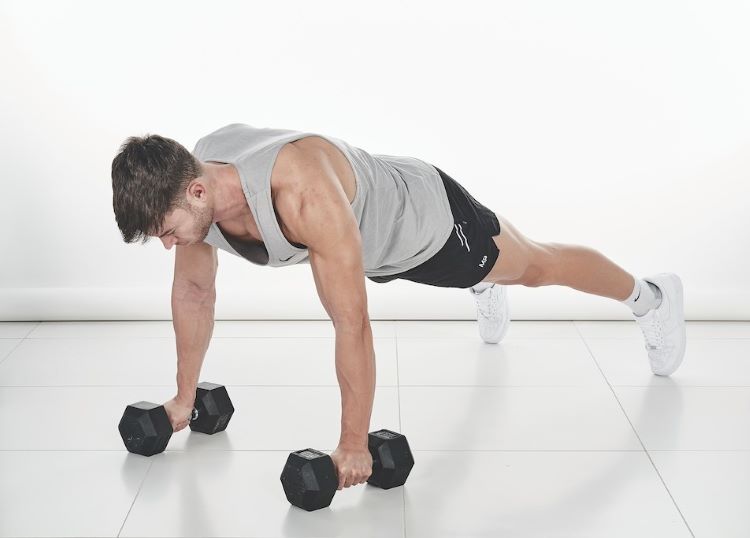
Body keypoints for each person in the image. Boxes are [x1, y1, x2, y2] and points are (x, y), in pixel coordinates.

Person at [110, 123, 686, 490]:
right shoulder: (198, 177)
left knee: (535, 265)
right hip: (368, 243)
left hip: (428, 226)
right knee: (483, 268)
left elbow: (351, 322)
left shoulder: (302, 195)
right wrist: (184, 398)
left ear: (197, 191)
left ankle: (650, 297)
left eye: (165, 231)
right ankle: (486, 289)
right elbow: (193, 292)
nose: (168, 244)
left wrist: (353, 444)